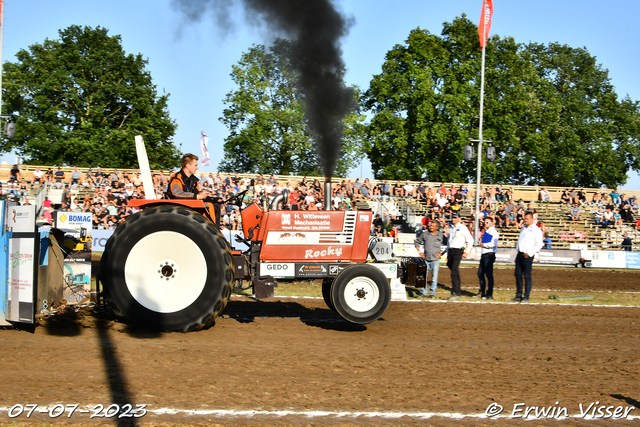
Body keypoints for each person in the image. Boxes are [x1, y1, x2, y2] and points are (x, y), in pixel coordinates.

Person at [511, 211, 544, 303]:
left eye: (527, 219)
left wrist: (530, 253)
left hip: (527, 255)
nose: (525, 220)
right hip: (520, 254)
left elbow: (539, 244)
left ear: (532, 219)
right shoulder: (524, 228)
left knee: (527, 276)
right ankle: (518, 295)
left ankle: (526, 296)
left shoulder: (536, 230)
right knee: (518, 275)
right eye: (524, 218)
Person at [446, 213, 473, 301]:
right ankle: (456, 290)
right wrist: (447, 254)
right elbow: (449, 242)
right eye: (452, 218)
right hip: (451, 251)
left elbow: (470, 240)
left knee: (454, 271)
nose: (453, 219)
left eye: (454, 218)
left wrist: (467, 251)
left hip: (458, 251)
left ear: (459, 218)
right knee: (453, 269)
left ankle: (456, 292)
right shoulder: (450, 228)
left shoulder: (462, 228)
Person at [414, 219, 444, 298]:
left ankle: (432, 293)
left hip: (435, 260)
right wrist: (420, 252)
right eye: (430, 225)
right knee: (423, 276)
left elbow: (449, 244)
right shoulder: (425, 234)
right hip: (426, 259)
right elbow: (417, 242)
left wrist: (442, 253)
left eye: (433, 226)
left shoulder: (441, 235)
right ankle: (423, 292)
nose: (430, 227)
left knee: (434, 278)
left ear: (437, 227)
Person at [474, 216, 499, 300]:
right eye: (485, 222)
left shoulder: (493, 232)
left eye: (487, 222)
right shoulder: (487, 231)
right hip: (484, 254)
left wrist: (484, 245)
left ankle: (489, 294)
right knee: (480, 273)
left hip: (489, 255)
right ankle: (482, 292)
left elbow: (493, 244)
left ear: (492, 223)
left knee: (488, 275)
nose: (485, 223)